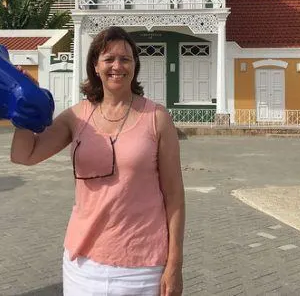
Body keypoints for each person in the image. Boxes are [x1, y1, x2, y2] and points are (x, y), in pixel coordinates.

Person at [10, 26, 185, 296]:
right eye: (109, 59)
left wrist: (174, 264)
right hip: (83, 265)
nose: (117, 66)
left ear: (135, 65)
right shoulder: (77, 117)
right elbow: (25, 155)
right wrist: (24, 103)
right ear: (96, 65)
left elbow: (174, 197)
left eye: (125, 59)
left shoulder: (157, 119)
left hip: (142, 266)